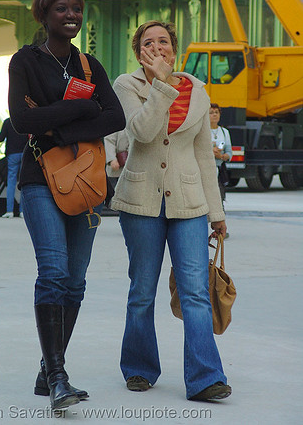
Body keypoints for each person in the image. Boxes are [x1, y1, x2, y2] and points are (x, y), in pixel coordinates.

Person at [8, 0, 125, 411]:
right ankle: (59, 377)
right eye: (62, 8)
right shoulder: (25, 61)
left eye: (76, 8)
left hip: (85, 181)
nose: (71, 14)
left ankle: (48, 369)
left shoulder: (90, 66)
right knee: (54, 271)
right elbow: (21, 120)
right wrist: (80, 109)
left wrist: (58, 126)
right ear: (44, 15)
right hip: (39, 178)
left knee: (75, 281)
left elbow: (115, 115)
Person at [111, 20, 231, 401]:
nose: (158, 47)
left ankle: (205, 377)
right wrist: (161, 85)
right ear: (138, 52)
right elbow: (141, 133)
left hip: (189, 202)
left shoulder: (197, 89)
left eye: (164, 41)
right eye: (149, 43)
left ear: (174, 49)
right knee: (142, 290)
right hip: (141, 201)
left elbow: (202, 156)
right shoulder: (126, 85)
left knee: (195, 291)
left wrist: (217, 212)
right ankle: (140, 368)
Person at [209, 103, 233, 233]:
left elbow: (229, 153)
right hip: (205, 170)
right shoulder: (203, 131)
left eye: (216, 112)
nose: (214, 115)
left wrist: (222, 156)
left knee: (219, 198)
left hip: (218, 170)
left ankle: (220, 227)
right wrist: (209, 151)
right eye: (211, 112)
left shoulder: (224, 132)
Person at [0, 117, 27, 218]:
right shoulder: (25, 120)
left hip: (12, 154)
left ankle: (9, 211)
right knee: (24, 182)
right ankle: (23, 211)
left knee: (11, 182)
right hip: (25, 153)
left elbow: (0, 138)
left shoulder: (7, 122)